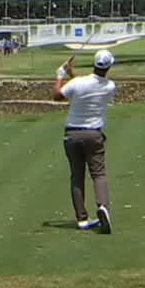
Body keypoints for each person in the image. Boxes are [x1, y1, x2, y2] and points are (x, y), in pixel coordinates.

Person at [54, 49, 118, 234]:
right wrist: (70, 74)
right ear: (109, 66)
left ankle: (82, 218)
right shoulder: (109, 86)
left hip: (72, 134)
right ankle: (103, 206)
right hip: (93, 135)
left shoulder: (79, 83)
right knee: (98, 174)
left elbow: (58, 95)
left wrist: (60, 75)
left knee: (77, 176)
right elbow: (88, 84)